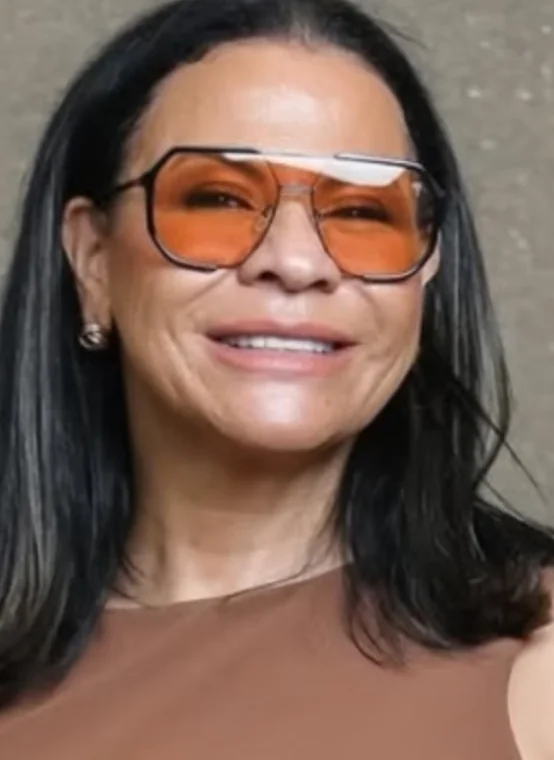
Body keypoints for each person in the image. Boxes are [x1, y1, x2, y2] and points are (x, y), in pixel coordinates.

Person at [0, 0, 552, 757]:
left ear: (425, 272)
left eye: (362, 211)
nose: (296, 262)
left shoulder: (536, 654)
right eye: (219, 200)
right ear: (94, 262)